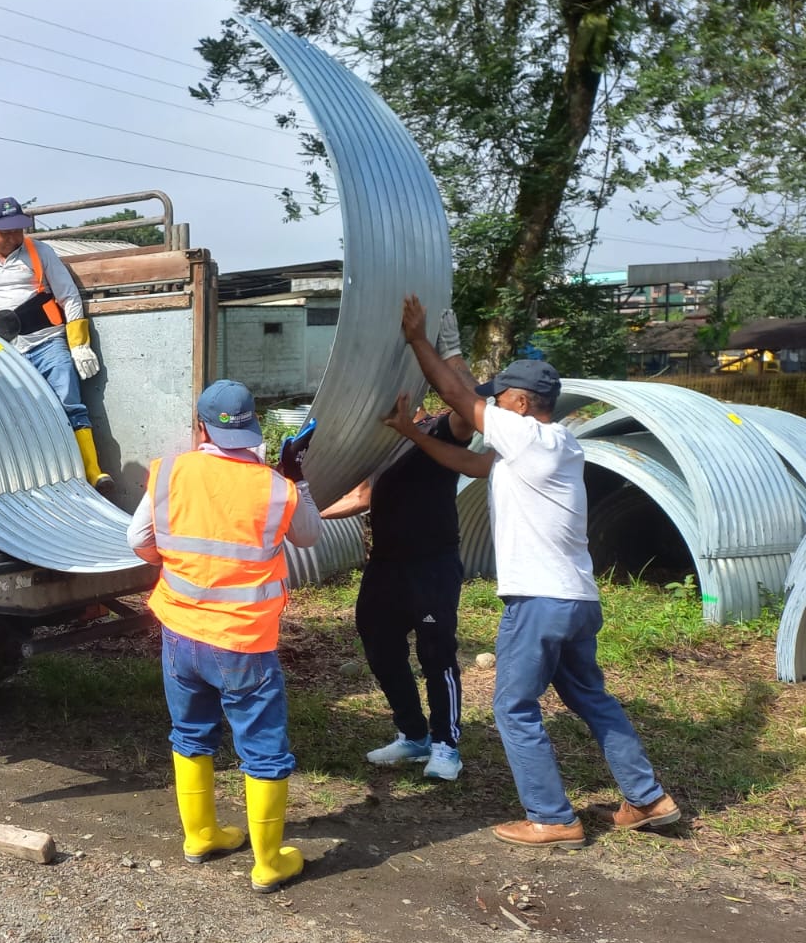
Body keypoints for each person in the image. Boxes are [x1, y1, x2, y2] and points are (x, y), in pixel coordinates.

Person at [390, 292, 681, 848]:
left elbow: (456, 394)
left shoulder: (524, 436)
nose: (490, 408)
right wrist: (413, 432)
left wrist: (418, 340)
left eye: (499, 400)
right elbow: (472, 463)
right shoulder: (552, 443)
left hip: (539, 601)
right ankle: (648, 799)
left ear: (521, 404)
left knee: (513, 707)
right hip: (577, 600)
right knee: (592, 698)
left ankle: (552, 817)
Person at [127, 380, 321, 891]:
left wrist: (175, 565)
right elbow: (308, 535)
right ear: (253, 427)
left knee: (190, 734)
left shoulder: (169, 472)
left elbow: (138, 540)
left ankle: (201, 835)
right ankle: (268, 862)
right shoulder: (275, 488)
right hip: (243, 641)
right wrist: (296, 476)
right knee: (263, 750)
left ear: (201, 428)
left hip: (179, 632)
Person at [322, 307, 476, 782]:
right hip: (386, 566)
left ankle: (447, 745)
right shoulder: (381, 441)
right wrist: (303, 513)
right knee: (379, 644)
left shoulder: (440, 431)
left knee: (435, 653)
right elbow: (361, 496)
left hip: (431, 566)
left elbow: (469, 409)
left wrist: (451, 354)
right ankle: (413, 734)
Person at [0, 196, 113, 493]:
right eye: (7, 231)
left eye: (19, 229)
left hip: (48, 343)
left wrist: (79, 344)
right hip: (4, 351)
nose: (15, 236)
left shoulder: (40, 252)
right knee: (14, 413)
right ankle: (33, 479)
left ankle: (92, 471)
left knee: (70, 404)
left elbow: (68, 297)